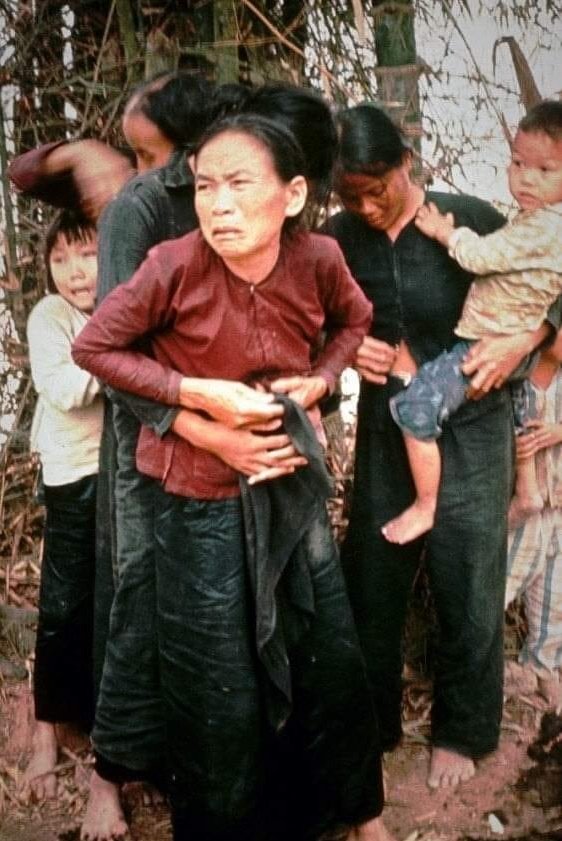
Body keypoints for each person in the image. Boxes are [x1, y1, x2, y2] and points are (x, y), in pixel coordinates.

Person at [73, 113, 389, 841]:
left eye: (240, 184)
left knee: (326, 651)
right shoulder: (173, 262)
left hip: (286, 480)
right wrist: (195, 395)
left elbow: (354, 321)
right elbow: (95, 345)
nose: (218, 205)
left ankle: (356, 815)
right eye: (205, 186)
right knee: (213, 673)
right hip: (196, 496)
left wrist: (320, 379)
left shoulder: (318, 259)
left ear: (294, 193)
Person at [323, 102, 558, 791]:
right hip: (385, 425)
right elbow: (315, 324)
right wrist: (347, 349)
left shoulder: (472, 220)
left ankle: (463, 729)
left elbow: (549, 290)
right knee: (373, 573)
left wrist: (533, 336)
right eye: (351, 194)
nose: (367, 205)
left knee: (468, 576)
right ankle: (375, 723)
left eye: (379, 186)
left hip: (476, 424)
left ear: (406, 163)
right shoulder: (336, 238)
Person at [384, 100, 562, 545]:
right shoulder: (540, 221)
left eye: (545, 170)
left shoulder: (544, 228)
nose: (526, 178)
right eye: (518, 163)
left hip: (486, 344)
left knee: (415, 407)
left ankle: (427, 503)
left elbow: (481, 258)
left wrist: (445, 232)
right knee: (519, 412)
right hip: (515, 342)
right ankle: (527, 488)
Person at [22, 210, 102, 801]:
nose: (74, 273)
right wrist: (127, 354)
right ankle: (47, 729)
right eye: (60, 259)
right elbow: (65, 388)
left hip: (126, 473)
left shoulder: (119, 301)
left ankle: (105, 735)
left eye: (88, 254)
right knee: (64, 602)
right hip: (73, 472)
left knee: (113, 599)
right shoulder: (51, 316)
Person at [506, 326, 562, 711]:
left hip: (558, 504)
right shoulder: (517, 378)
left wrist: (558, 431)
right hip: (523, 507)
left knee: (554, 595)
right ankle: (479, 674)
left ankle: (543, 669)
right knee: (500, 584)